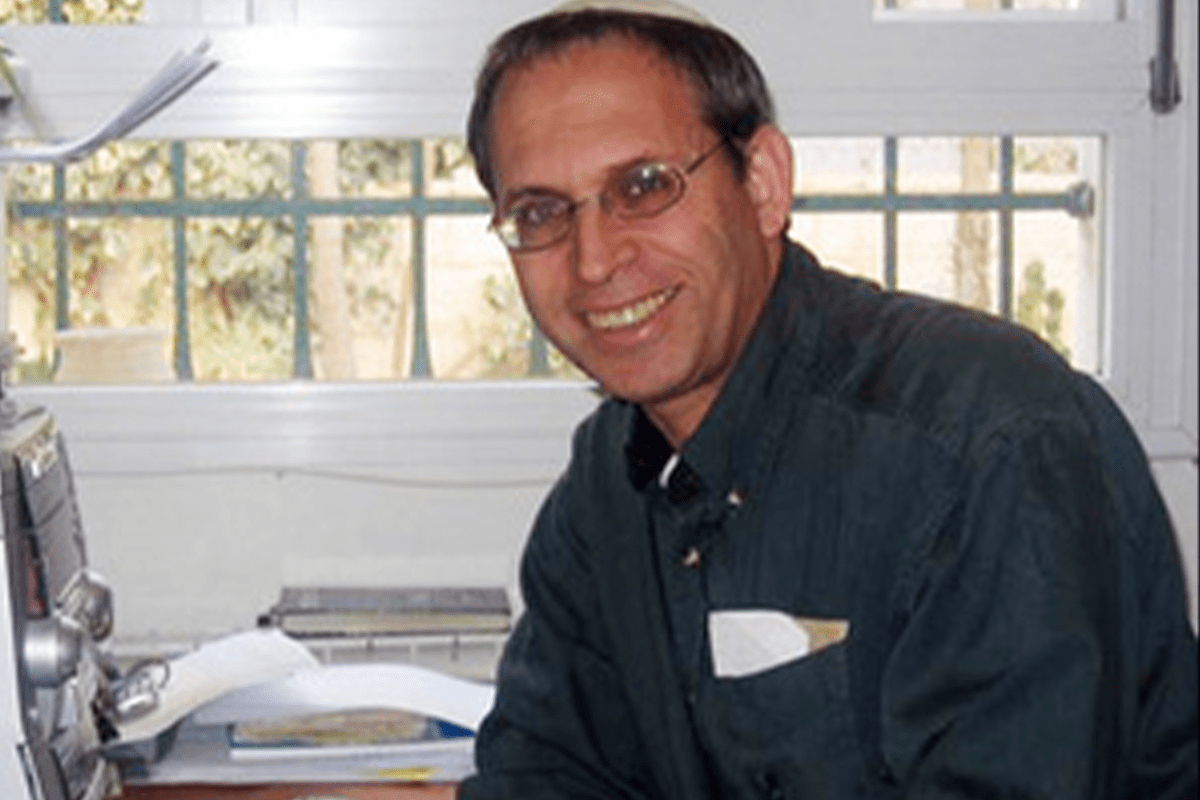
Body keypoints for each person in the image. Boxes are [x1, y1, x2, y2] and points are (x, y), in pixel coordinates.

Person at [456, 1, 1199, 797]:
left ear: (764, 184)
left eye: (644, 186)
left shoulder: (985, 442)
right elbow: (546, 774)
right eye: (539, 213)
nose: (594, 261)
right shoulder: (610, 484)